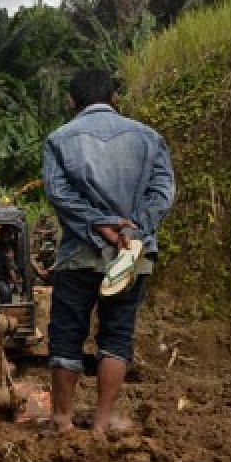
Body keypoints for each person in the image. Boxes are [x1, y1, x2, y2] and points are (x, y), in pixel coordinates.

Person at [42, 69, 175, 434]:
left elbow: (59, 194)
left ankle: (62, 419)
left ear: (72, 101)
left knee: (67, 333)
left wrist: (99, 225)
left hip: (79, 255)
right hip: (132, 254)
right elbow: (162, 193)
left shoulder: (59, 139)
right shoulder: (149, 138)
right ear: (113, 98)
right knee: (117, 335)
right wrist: (134, 230)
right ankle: (102, 423)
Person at [0, 225, 23, 304]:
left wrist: (16, 282)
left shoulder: (1, 254)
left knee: (5, 290)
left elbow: (9, 268)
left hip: (0, 279)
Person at [30, 213, 58, 285]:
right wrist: (39, 270)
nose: (43, 219)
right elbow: (34, 232)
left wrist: (46, 232)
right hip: (42, 245)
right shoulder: (38, 223)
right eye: (42, 217)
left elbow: (55, 230)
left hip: (49, 245)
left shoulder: (50, 223)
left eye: (44, 217)